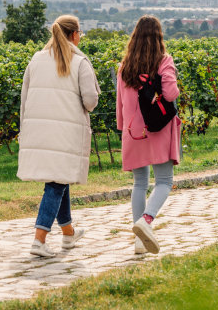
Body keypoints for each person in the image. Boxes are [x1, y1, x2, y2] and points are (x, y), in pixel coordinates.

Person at [18, 15, 100, 257]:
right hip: (67, 132)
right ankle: (39, 239)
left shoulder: (37, 59)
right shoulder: (80, 62)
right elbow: (91, 101)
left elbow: (25, 97)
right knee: (56, 184)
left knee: (58, 179)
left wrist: (25, 127)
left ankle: (68, 234)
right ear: (74, 35)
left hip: (39, 130)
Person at [116, 15, 181, 254]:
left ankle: (139, 242)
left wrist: (123, 130)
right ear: (159, 37)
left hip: (133, 133)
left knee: (139, 183)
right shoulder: (164, 61)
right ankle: (146, 220)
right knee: (164, 181)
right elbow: (172, 94)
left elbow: (120, 103)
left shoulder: (125, 67)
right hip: (158, 130)